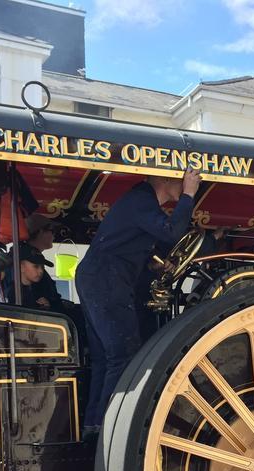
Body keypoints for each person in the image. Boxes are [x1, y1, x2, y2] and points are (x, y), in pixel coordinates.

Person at [76, 169, 201, 435]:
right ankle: (113, 430)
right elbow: (171, 232)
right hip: (106, 278)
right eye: (186, 177)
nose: (192, 182)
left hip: (98, 276)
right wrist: (188, 195)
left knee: (104, 358)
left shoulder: (138, 202)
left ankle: (95, 425)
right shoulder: (141, 200)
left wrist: (154, 264)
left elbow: (130, 247)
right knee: (123, 355)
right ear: (166, 177)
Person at [2, 213, 59, 308]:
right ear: (40, 232)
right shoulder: (16, 261)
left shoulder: (19, 258)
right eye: (52, 231)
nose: (54, 235)